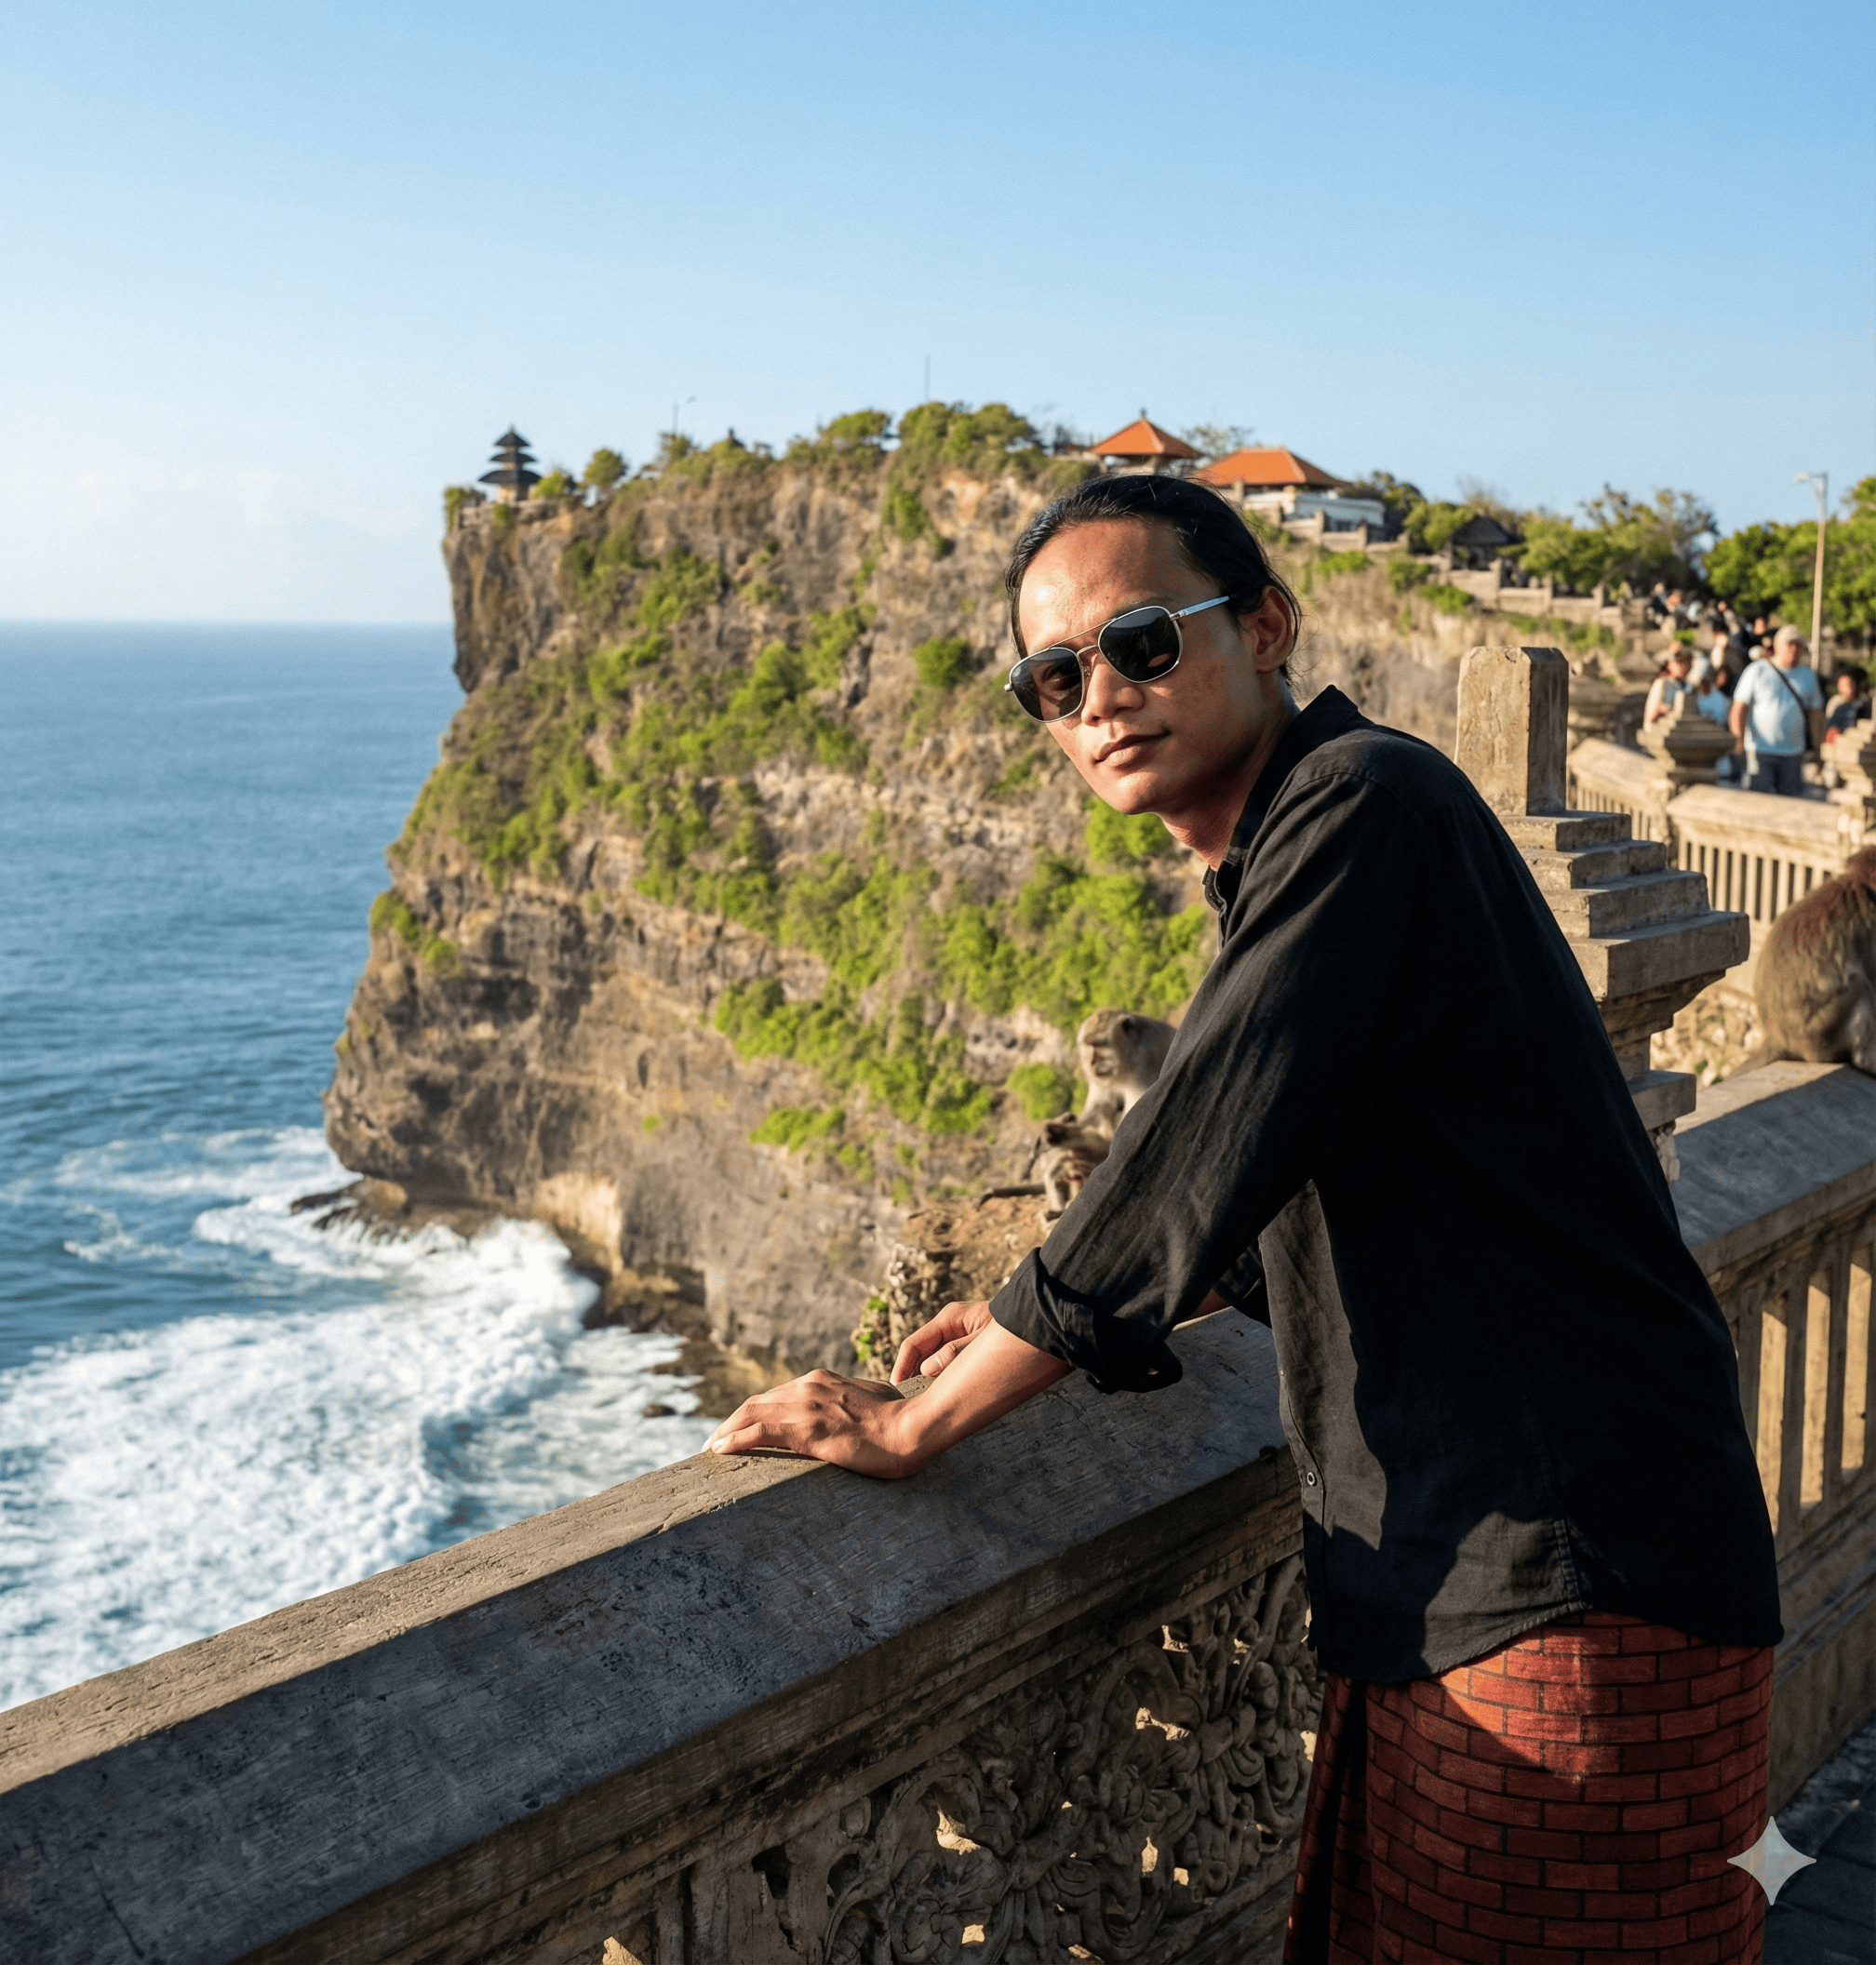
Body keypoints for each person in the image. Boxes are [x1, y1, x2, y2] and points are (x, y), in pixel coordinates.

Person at [709, 474, 1781, 1965]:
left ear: (1266, 626)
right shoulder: (1310, 834)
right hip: (1488, 1585)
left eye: (1142, 641)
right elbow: (1308, 1176)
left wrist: (923, 1421)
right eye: (1056, 676)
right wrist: (1037, 1322)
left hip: (1566, 1587)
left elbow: (1194, 1138)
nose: (1101, 697)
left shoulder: (1365, 805)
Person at [1730, 623, 1825, 795]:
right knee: (1758, 801)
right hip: (1760, 750)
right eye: (1790, 643)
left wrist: (1819, 751)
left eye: (1798, 644)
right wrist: (1739, 740)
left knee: (1790, 805)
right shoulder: (1757, 670)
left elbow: (1816, 716)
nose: (1794, 649)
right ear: (1777, 645)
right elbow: (1739, 708)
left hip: (1793, 752)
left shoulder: (1808, 676)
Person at [1642, 645, 1693, 728]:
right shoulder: (1662, 683)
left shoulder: (1687, 686)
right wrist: (1668, 710)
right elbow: (1651, 715)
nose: (1684, 667)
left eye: (1687, 663)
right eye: (1680, 663)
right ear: (1670, 665)